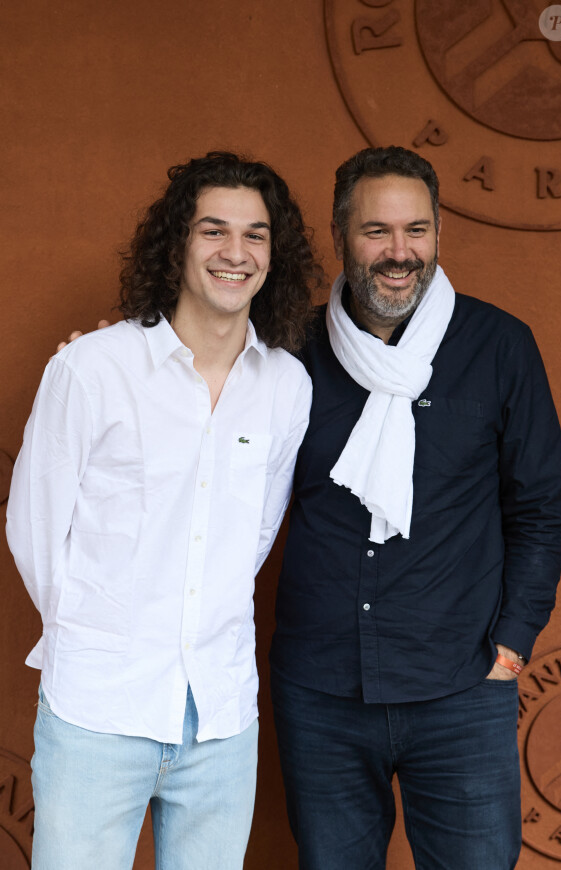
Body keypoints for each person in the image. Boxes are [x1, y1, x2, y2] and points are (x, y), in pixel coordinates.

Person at [6, 151, 322, 870]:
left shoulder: (286, 386)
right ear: (177, 243)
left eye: (255, 234)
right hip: (98, 711)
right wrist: (96, 637)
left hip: (221, 716)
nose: (234, 253)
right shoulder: (91, 369)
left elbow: (256, 534)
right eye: (213, 231)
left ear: (275, 253)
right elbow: (33, 528)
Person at [269, 146, 561, 870]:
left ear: (439, 234)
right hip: (321, 691)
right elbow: (197, 432)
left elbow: (541, 504)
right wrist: (100, 359)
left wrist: (513, 643)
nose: (399, 252)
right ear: (342, 236)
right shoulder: (291, 351)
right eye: (377, 231)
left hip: (462, 687)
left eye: (417, 230)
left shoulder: (499, 346)